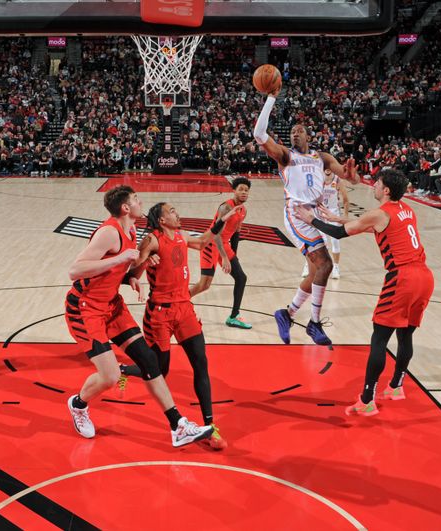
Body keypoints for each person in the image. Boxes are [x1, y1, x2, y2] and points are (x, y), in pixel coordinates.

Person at [64, 185, 212, 447]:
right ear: (125, 208)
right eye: (136, 199)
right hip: (85, 309)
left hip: (112, 306)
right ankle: (78, 405)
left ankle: (178, 426)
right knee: (109, 377)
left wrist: (133, 274)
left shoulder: (132, 230)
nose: (140, 202)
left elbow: (114, 272)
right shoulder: (110, 232)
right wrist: (120, 258)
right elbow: (75, 270)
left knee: (150, 363)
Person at [294, 169, 435, 416]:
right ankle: (396, 387)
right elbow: (370, 227)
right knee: (406, 334)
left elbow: (343, 234)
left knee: (379, 338)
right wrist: (334, 218)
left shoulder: (380, 213)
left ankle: (367, 400)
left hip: (403, 278)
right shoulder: (406, 210)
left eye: (377, 183)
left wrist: (312, 220)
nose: (374, 186)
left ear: (386, 190)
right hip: (425, 276)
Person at [120, 201, 244, 450]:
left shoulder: (181, 236)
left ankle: (210, 427)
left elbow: (206, 240)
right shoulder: (152, 240)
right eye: (172, 211)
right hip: (159, 313)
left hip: (184, 309)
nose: (178, 213)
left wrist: (221, 220)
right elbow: (129, 273)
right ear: (162, 219)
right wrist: (147, 261)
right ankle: (124, 369)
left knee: (201, 363)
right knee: (160, 371)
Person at [252, 88, 359, 345]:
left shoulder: (321, 157)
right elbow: (258, 134)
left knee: (314, 274)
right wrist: (271, 99)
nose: (295, 133)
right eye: (292, 131)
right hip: (297, 213)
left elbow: (348, 177)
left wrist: (352, 174)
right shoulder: (286, 156)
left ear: (308, 135)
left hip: (316, 213)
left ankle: (286, 314)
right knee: (326, 265)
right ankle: (314, 323)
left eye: (299, 130)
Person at [190, 177, 252, 328]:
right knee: (204, 285)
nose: (244, 192)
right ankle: (180, 300)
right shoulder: (225, 208)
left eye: (246, 190)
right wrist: (224, 258)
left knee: (241, 278)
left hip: (224, 245)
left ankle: (234, 316)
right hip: (211, 244)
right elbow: (216, 234)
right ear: (233, 191)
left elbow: (236, 232)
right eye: (241, 189)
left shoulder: (243, 210)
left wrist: (233, 256)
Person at [302, 168, 349, 279]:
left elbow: (346, 200)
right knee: (315, 241)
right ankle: (308, 265)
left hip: (333, 212)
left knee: (335, 241)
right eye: (325, 167)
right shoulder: (317, 179)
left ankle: (336, 267)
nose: (327, 169)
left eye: (329, 167)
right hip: (319, 212)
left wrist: (345, 217)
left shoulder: (337, 180)